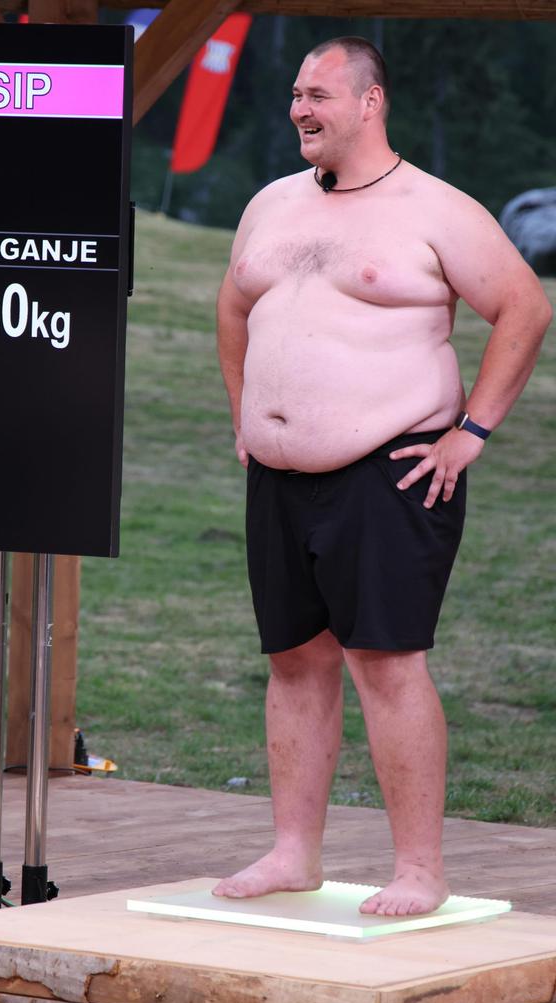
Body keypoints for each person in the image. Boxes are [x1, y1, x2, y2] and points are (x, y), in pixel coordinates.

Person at [214, 37, 552, 916]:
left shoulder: (435, 208)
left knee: (387, 664)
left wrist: (472, 431)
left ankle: (420, 870)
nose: (300, 108)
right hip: (278, 477)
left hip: (392, 468)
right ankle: (294, 853)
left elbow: (524, 306)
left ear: (371, 103)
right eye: (296, 93)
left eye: (319, 95)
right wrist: (245, 412)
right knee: (294, 661)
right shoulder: (271, 203)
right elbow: (234, 304)